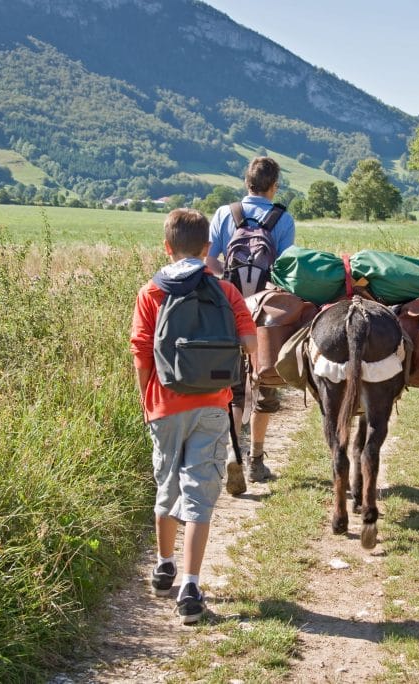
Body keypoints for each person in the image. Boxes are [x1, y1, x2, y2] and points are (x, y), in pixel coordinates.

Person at [130, 208, 257, 624]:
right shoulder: (225, 291)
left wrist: (147, 400)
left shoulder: (151, 291)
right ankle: (190, 585)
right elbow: (249, 342)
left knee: (166, 487)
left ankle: (164, 563)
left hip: (165, 405)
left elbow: (142, 352)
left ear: (167, 247)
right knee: (199, 494)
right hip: (213, 404)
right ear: (208, 249)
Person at [206, 157, 296, 491]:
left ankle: (233, 450)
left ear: (247, 183)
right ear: (274, 186)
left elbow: (211, 262)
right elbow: (285, 273)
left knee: (234, 389)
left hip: (228, 311)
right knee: (265, 382)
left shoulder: (222, 214)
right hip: (266, 316)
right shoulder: (283, 219)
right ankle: (257, 460)